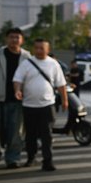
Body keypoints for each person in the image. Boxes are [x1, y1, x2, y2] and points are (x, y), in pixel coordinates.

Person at [12, 38, 68, 171]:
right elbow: (17, 79)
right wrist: (17, 90)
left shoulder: (53, 64)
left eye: (41, 48)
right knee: (30, 134)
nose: (38, 50)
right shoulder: (26, 63)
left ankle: (47, 161)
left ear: (47, 50)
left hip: (47, 105)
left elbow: (61, 84)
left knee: (46, 134)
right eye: (36, 48)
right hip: (29, 105)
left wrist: (65, 100)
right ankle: (31, 158)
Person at [0, 28, 31, 168]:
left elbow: (30, 77)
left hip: (18, 100)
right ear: (6, 39)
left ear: (22, 40)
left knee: (15, 130)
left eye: (17, 37)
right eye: (11, 37)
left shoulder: (27, 57)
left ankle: (12, 159)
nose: (14, 40)